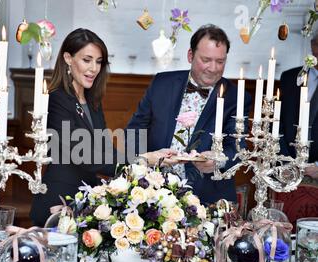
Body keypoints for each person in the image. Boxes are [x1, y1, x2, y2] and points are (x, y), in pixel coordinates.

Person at [30, 28, 171, 226]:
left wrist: (146, 166)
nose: (94, 68)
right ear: (68, 58)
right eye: (87, 60)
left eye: (98, 62)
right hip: (58, 200)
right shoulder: (56, 99)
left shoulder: (92, 102)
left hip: (85, 201)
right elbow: (84, 155)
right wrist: (142, 161)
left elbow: (104, 151)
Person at [126, 24, 252, 204]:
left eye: (220, 61)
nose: (213, 68)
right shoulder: (162, 83)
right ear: (190, 56)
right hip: (152, 192)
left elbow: (238, 148)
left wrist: (218, 161)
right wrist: (145, 160)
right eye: (206, 59)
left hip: (206, 197)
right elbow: (134, 130)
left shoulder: (236, 97)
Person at [279, 32, 318, 179]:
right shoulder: (290, 77)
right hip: (287, 169)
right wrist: (284, 160)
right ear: (312, 46)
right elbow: (279, 122)